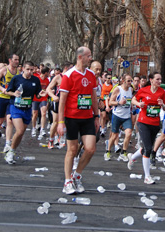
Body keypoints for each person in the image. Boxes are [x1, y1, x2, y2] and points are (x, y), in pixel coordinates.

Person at [58, 47, 100, 195]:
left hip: (87, 117)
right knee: (72, 150)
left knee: (90, 148)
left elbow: (94, 97)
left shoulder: (90, 75)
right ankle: (67, 181)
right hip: (71, 118)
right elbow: (62, 101)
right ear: (81, 57)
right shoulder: (68, 75)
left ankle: (77, 175)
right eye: (89, 56)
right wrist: (60, 122)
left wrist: (96, 116)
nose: (91, 58)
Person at [127, 72, 165, 184]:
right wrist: (138, 104)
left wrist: (162, 105)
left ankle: (133, 158)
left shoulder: (162, 92)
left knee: (147, 147)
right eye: (157, 79)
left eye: (160, 79)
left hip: (155, 123)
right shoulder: (144, 90)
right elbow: (133, 100)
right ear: (151, 80)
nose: (159, 81)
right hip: (143, 122)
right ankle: (147, 176)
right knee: (149, 149)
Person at [3, 62, 46, 164]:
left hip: (27, 108)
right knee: (20, 130)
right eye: (27, 69)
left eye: (31, 70)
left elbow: (38, 94)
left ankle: (12, 149)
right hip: (15, 107)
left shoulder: (35, 80)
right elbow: (7, 91)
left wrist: (41, 94)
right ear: (23, 69)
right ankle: (10, 152)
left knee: (20, 134)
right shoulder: (16, 79)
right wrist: (14, 93)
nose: (29, 72)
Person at [105, 74, 134, 162]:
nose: (130, 83)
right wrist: (119, 102)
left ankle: (123, 152)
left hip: (126, 116)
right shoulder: (118, 89)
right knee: (114, 136)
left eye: (131, 81)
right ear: (123, 81)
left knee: (128, 133)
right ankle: (108, 151)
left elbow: (130, 100)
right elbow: (110, 102)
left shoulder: (131, 89)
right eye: (128, 81)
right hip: (117, 115)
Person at [31, 66, 50, 140]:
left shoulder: (47, 80)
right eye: (48, 72)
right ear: (45, 73)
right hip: (36, 98)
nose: (49, 74)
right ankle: (34, 128)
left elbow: (47, 89)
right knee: (35, 114)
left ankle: (42, 129)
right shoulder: (37, 79)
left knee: (44, 113)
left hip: (43, 98)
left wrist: (47, 95)